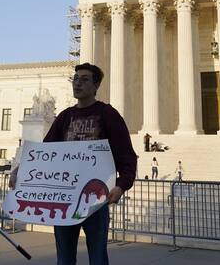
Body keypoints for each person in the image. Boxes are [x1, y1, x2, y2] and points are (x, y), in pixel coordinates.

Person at [10, 62, 137, 265]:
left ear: (96, 86)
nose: (77, 83)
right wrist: (19, 170)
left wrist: (122, 186)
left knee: (97, 258)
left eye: (84, 79)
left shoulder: (107, 114)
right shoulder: (65, 117)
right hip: (65, 201)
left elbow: (127, 156)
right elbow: (43, 154)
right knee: (65, 258)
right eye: (75, 79)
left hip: (96, 200)